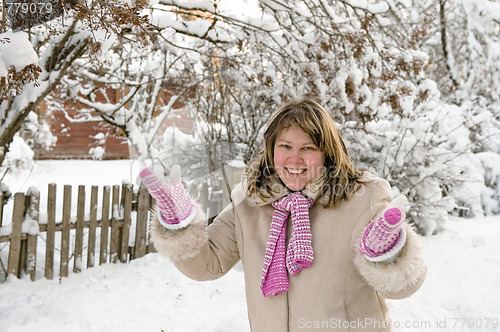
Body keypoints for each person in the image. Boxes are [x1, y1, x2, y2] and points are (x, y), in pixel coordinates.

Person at [139, 98, 427, 332]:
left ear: (327, 152)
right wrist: (179, 226)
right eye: (285, 147)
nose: (294, 159)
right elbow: (207, 265)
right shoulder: (249, 202)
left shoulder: (363, 198)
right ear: (271, 150)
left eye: (307, 148)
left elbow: (405, 288)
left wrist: (389, 255)